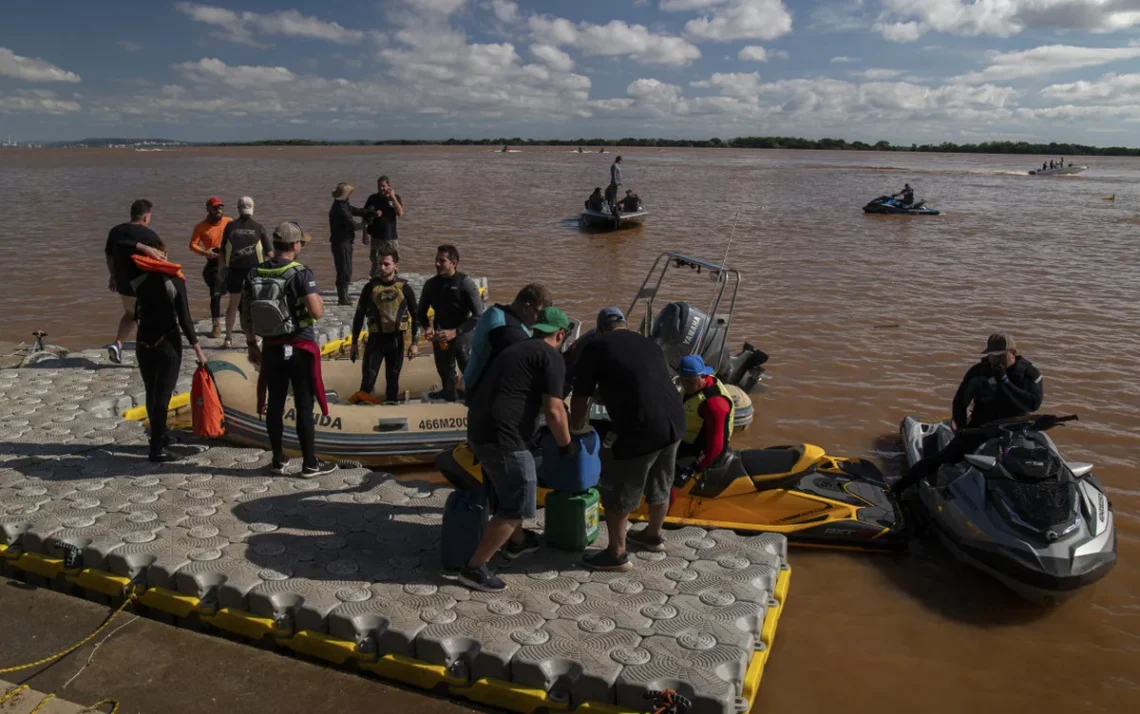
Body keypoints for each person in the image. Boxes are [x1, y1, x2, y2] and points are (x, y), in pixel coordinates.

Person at [460, 307, 574, 591]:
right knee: (519, 499)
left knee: (506, 489)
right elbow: (554, 410)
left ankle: (518, 543)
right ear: (560, 334)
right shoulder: (551, 357)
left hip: (478, 429)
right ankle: (475, 567)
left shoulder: (519, 349)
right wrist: (566, 445)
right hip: (502, 436)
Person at [569, 311, 685, 571]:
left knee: (618, 490)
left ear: (600, 329)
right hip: (674, 421)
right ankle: (653, 536)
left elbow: (579, 398)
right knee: (661, 481)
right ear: (624, 326)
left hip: (642, 426)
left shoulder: (596, 345)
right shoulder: (649, 343)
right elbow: (642, 381)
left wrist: (576, 432)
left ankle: (616, 554)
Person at [892, 333, 1044, 496]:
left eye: (1001, 355)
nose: (996, 360)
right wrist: (961, 428)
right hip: (982, 428)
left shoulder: (1030, 374)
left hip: (1017, 430)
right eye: (992, 356)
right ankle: (897, 489)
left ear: (1013, 353)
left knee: (1035, 464)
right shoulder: (978, 372)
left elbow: (1033, 404)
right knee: (943, 457)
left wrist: (1004, 381)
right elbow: (960, 402)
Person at [241, 221, 336, 477]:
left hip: (271, 348)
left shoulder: (254, 272)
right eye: (301, 242)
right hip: (299, 347)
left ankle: (277, 459)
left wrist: (252, 344)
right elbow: (315, 312)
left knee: (275, 404)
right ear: (295, 245)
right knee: (304, 405)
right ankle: (309, 464)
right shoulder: (301, 273)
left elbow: (245, 313)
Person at [130, 241, 207, 462]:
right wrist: (198, 350)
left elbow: (134, 313)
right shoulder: (174, 280)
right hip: (167, 343)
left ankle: (160, 437)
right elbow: (185, 319)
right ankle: (156, 450)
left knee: (150, 391)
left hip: (143, 343)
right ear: (163, 255)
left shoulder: (137, 280)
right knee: (163, 395)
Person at [348, 250, 419, 404]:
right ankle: (361, 417)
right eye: (379, 264)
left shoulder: (404, 288)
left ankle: (391, 415)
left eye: (386, 264)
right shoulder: (370, 288)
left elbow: (416, 316)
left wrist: (414, 343)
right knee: (367, 382)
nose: (382, 267)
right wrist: (354, 343)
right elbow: (359, 316)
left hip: (396, 341)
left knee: (392, 382)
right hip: (375, 341)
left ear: (396, 266)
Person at [463, 284, 552, 403]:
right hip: (483, 396)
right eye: (540, 316)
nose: (540, 321)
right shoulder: (509, 331)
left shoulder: (497, 311)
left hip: (473, 383)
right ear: (527, 307)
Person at [417, 244, 484, 402]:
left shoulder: (465, 283)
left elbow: (478, 315)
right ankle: (449, 395)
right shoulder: (431, 285)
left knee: (466, 363)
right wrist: (427, 328)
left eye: (442, 260)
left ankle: (475, 398)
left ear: (454, 263)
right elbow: (420, 313)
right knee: (444, 369)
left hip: (463, 331)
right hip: (440, 333)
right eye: (436, 260)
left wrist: (455, 332)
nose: (437, 264)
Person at [104, 199, 166, 364]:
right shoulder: (150, 236)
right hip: (144, 285)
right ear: (146, 217)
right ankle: (146, 356)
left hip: (123, 284)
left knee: (130, 314)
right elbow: (163, 261)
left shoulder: (115, 231)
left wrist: (113, 275)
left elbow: (109, 256)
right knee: (147, 320)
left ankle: (118, 344)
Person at [218, 196, 271, 348]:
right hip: (255, 272)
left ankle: (228, 338)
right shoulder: (259, 227)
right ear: (252, 209)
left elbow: (222, 251)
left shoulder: (230, 227)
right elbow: (270, 253)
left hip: (235, 271)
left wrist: (221, 271)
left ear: (238, 209)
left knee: (232, 306)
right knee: (255, 305)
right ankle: (256, 336)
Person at [675, 355, 735, 478]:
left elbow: (716, 446)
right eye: (683, 380)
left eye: (690, 381)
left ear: (703, 376)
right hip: (684, 440)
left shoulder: (715, 404)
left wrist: (694, 468)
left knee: (669, 478)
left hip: (700, 450)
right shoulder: (694, 387)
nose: (685, 386)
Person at [189, 197, 232, 338]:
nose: (218, 210)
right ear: (208, 209)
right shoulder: (201, 227)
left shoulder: (229, 222)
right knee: (215, 294)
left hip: (229, 261)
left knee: (240, 291)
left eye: (220, 207)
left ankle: (244, 322)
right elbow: (192, 245)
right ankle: (216, 324)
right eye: (215, 208)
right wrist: (204, 252)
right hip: (213, 263)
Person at [562, 306, 624, 397]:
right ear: (599, 330)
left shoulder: (604, 337)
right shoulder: (589, 344)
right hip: (569, 377)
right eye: (611, 331)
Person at [329, 182, 367, 306]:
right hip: (341, 244)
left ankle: (344, 295)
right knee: (343, 270)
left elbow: (356, 211)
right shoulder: (340, 209)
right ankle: (342, 298)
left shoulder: (343, 205)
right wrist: (366, 224)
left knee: (347, 269)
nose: (350, 195)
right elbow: (354, 225)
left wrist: (368, 212)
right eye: (349, 193)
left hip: (345, 243)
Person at [363, 175, 404, 276]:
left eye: (383, 186)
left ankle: (393, 285)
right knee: (376, 264)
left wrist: (393, 197)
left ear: (388, 186)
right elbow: (364, 216)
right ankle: (374, 286)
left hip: (391, 237)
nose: (381, 188)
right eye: (379, 186)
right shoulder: (372, 198)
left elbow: (400, 213)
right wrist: (365, 234)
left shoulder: (395, 197)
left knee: (393, 263)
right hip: (376, 237)